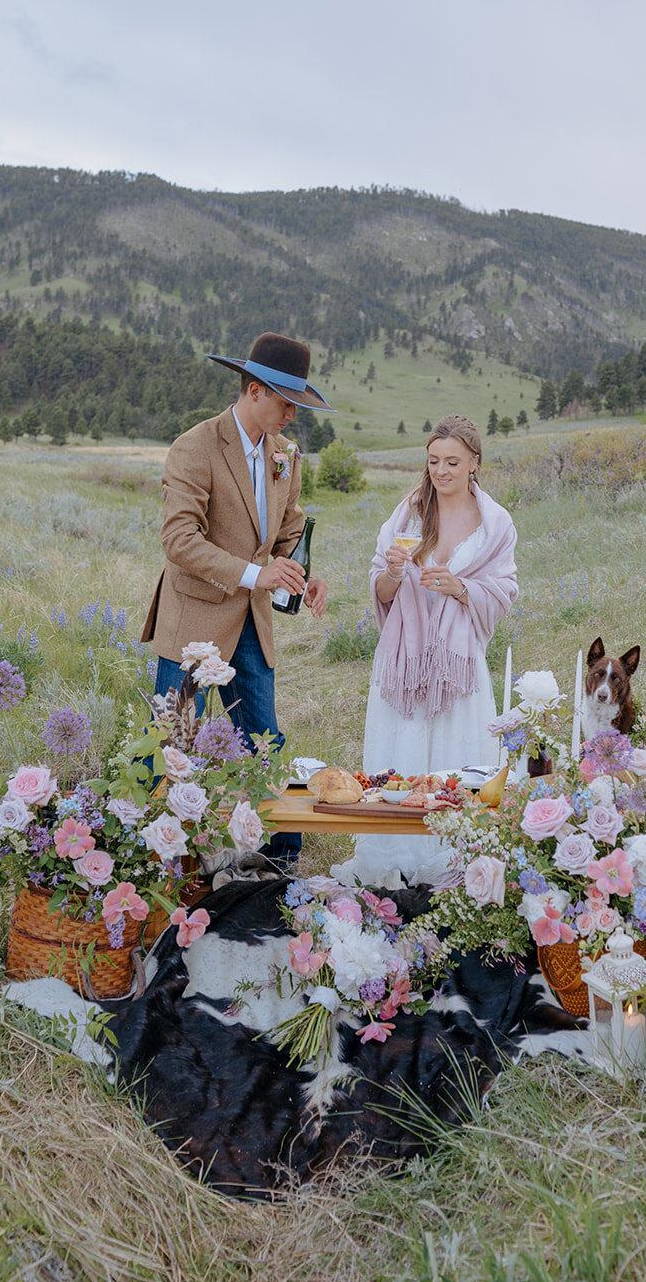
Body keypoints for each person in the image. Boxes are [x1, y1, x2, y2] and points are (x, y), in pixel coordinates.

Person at [141, 332, 329, 865]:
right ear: (253, 391)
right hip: (193, 622)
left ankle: (279, 859)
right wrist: (255, 574)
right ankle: (166, 862)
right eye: (287, 402)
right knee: (175, 745)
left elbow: (289, 529)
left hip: (253, 621)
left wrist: (300, 573)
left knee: (264, 739)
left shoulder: (285, 456)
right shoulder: (195, 447)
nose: (293, 414)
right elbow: (179, 540)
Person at [338, 414, 518, 888]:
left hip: (459, 666)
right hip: (404, 662)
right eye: (434, 460)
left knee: (456, 756)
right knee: (403, 749)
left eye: (453, 461)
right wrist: (396, 574)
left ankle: (454, 863)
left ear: (474, 462)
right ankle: (393, 860)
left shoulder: (495, 523)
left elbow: (504, 591)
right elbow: (379, 587)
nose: (442, 471)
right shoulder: (408, 515)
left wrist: (461, 588)